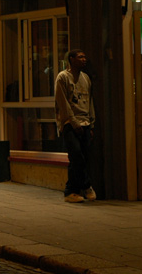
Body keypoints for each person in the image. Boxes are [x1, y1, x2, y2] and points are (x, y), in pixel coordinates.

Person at [55, 49, 96, 203]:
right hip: (69, 123)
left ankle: (71, 191)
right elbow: (63, 103)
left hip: (85, 122)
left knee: (80, 158)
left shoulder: (86, 78)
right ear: (71, 59)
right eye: (80, 57)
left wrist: (91, 124)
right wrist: (73, 122)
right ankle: (86, 185)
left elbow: (90, 102)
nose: (84, 59)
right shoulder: (63, 77)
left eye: (84, 56)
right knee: (76, 154)